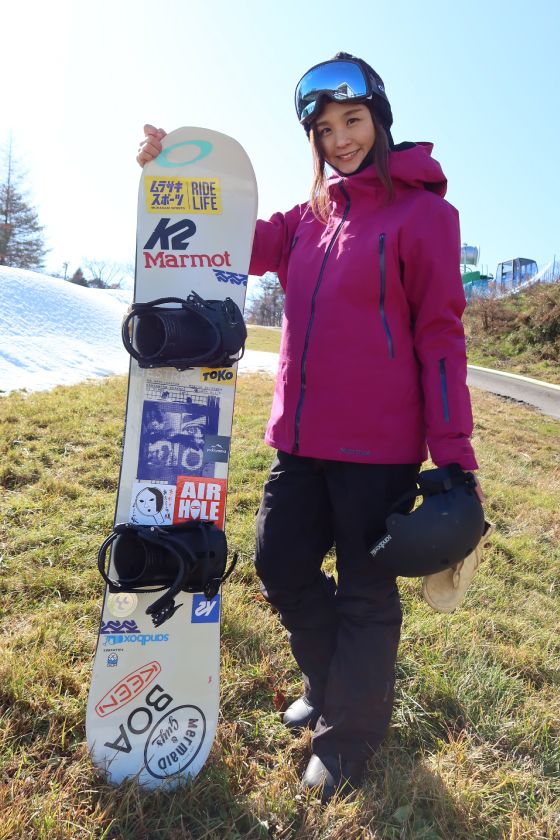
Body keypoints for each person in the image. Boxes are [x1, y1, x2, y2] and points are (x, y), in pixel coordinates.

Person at [137, 51, 483, 802]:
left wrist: (455, 459)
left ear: (379, 119)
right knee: (278, 563)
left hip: (378, 449)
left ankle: (350, 735)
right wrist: (172, 173)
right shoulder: (310, 217)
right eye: (324, 129)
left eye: (352, 121)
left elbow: (441, 339)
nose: (340, 140)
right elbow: (236, 236)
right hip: (298, 440)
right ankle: (332, 685)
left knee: (365, 592)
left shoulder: (426, 217)